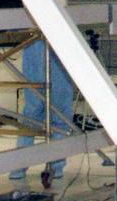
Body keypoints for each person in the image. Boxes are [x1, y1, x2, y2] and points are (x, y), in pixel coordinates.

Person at [10, 39, 74, 182]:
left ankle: (19, 167)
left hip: (35, 50)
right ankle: (55, 166)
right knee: (60, 117)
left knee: (31, 116)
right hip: (56, 53)